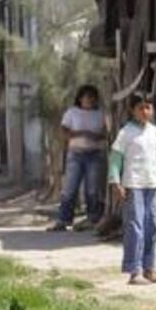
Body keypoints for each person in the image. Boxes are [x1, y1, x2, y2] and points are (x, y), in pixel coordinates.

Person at [109, 93, 156, 286]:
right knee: (136, 227)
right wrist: (116, 182)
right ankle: (135, 271)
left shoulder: (155, 132)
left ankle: (149, 269)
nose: (145, 111)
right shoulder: (126, 133)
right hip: (133, 185)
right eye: (140, 108)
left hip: (152, 185)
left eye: (148, 107)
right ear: (132, 110)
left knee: (153, 226)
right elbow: (116, 158)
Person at [48, 85, 107, 232]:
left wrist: (95, 136)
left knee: (92, 189)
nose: (89, 100)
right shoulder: (72, 112)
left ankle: (92, 218)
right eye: (86, 97)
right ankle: (64, 219)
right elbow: (63, 131)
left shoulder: (100, 114)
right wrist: (79, 133)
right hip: (76, 153)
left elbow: (105, 134)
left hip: (94, 153)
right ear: (80, 99)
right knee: (70, 187)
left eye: (92, 97)